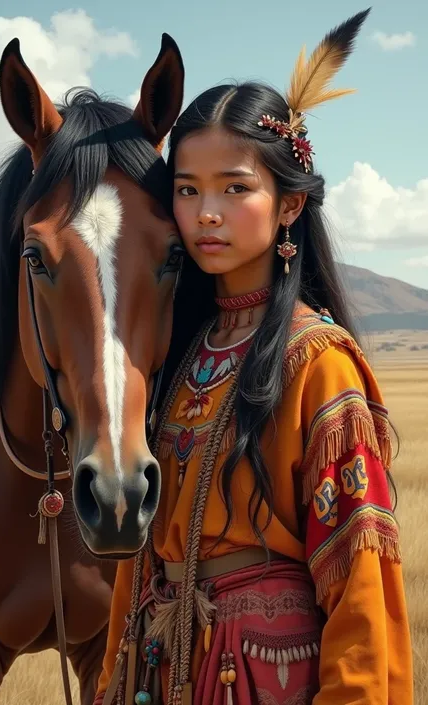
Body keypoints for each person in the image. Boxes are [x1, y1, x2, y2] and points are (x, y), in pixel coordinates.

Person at [94, 9, 413, 705]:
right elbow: (136, 567)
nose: (207, 211)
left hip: (263, 678)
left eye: (235, 188)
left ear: (289, 205)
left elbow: (361, 590)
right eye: (188, 189)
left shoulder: (319, 363)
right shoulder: (174, 358)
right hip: (156, 670)